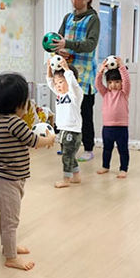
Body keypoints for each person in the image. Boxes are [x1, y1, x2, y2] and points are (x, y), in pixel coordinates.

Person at [0, 73, 55, 271]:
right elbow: (33, 140)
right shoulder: (15, 123)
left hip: (2, 180)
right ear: (19, 105)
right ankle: (11, 257)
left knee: (7, 218)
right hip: (8, 182)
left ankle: (8, 246)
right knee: (11, 221)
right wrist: (49, 139)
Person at [53, 0, 100, 162]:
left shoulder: (93, 19)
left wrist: (68, 45)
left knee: (85, 113)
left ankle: (88, 148)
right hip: (66, 73)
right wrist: (58, 50)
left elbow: (90, 45)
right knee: (66, 112)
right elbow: (58, 40)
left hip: (85, 75)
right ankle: (67, 146)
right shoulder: (67, 18)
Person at [46, 58, 83, 188]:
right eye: (57, 83)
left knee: (66, 156)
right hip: (63, 130)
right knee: (69, 154)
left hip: (72, 131)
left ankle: (66, 179)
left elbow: (73, 83)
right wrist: (49, 68)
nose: (58, 86)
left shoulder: (75, 94)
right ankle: (76, 176)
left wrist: (67, 69)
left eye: (61, 82)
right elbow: (50, 82)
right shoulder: (60, 95)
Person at [95, 57, 130, 178]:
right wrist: (100, 71)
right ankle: (105, 166)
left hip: (121, 128)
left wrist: (121, 67)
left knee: (123, 149)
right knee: (107, 149)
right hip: (107, 128)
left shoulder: (124, 93)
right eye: (110, 82)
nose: (113, 85)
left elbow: (127, 81)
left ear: (121, 82)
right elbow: (98, 84)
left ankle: (123, 169)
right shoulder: (105, 93)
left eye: (116, 82)